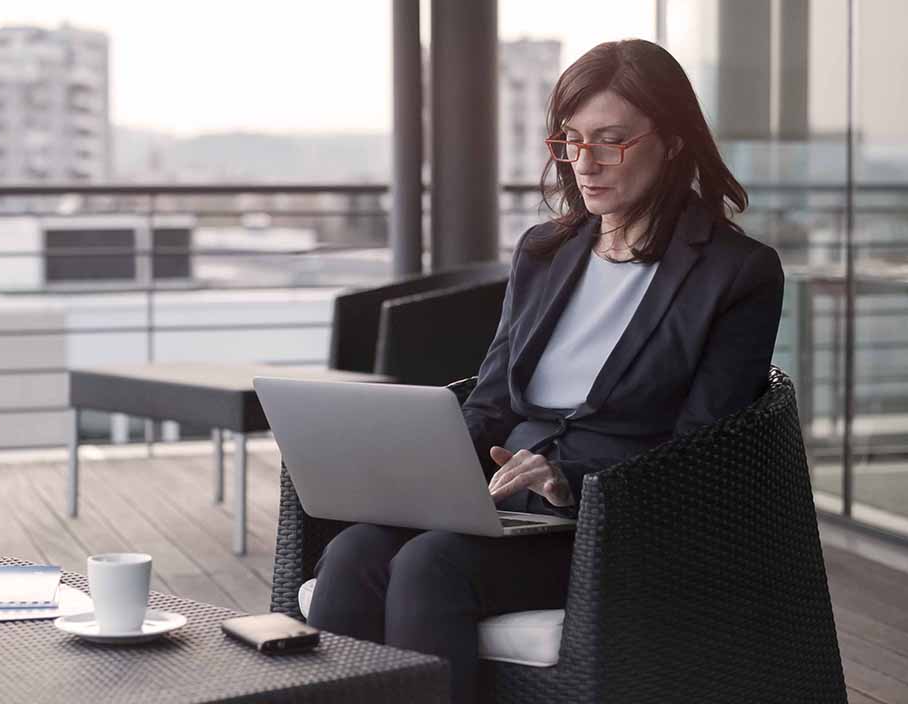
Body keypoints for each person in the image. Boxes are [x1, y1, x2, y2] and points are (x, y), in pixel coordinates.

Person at [306, 39, 785, 704]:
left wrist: (572, 483)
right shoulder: (546, 251)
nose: (585, 164)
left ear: (674, 142)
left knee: (430, 567)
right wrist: (416, 470)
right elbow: (494, 396)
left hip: (618, 525)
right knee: (355, 552)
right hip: (505, 507)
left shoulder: (736, 273)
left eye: (611, 141)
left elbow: (703, 450)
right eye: (571, 141)